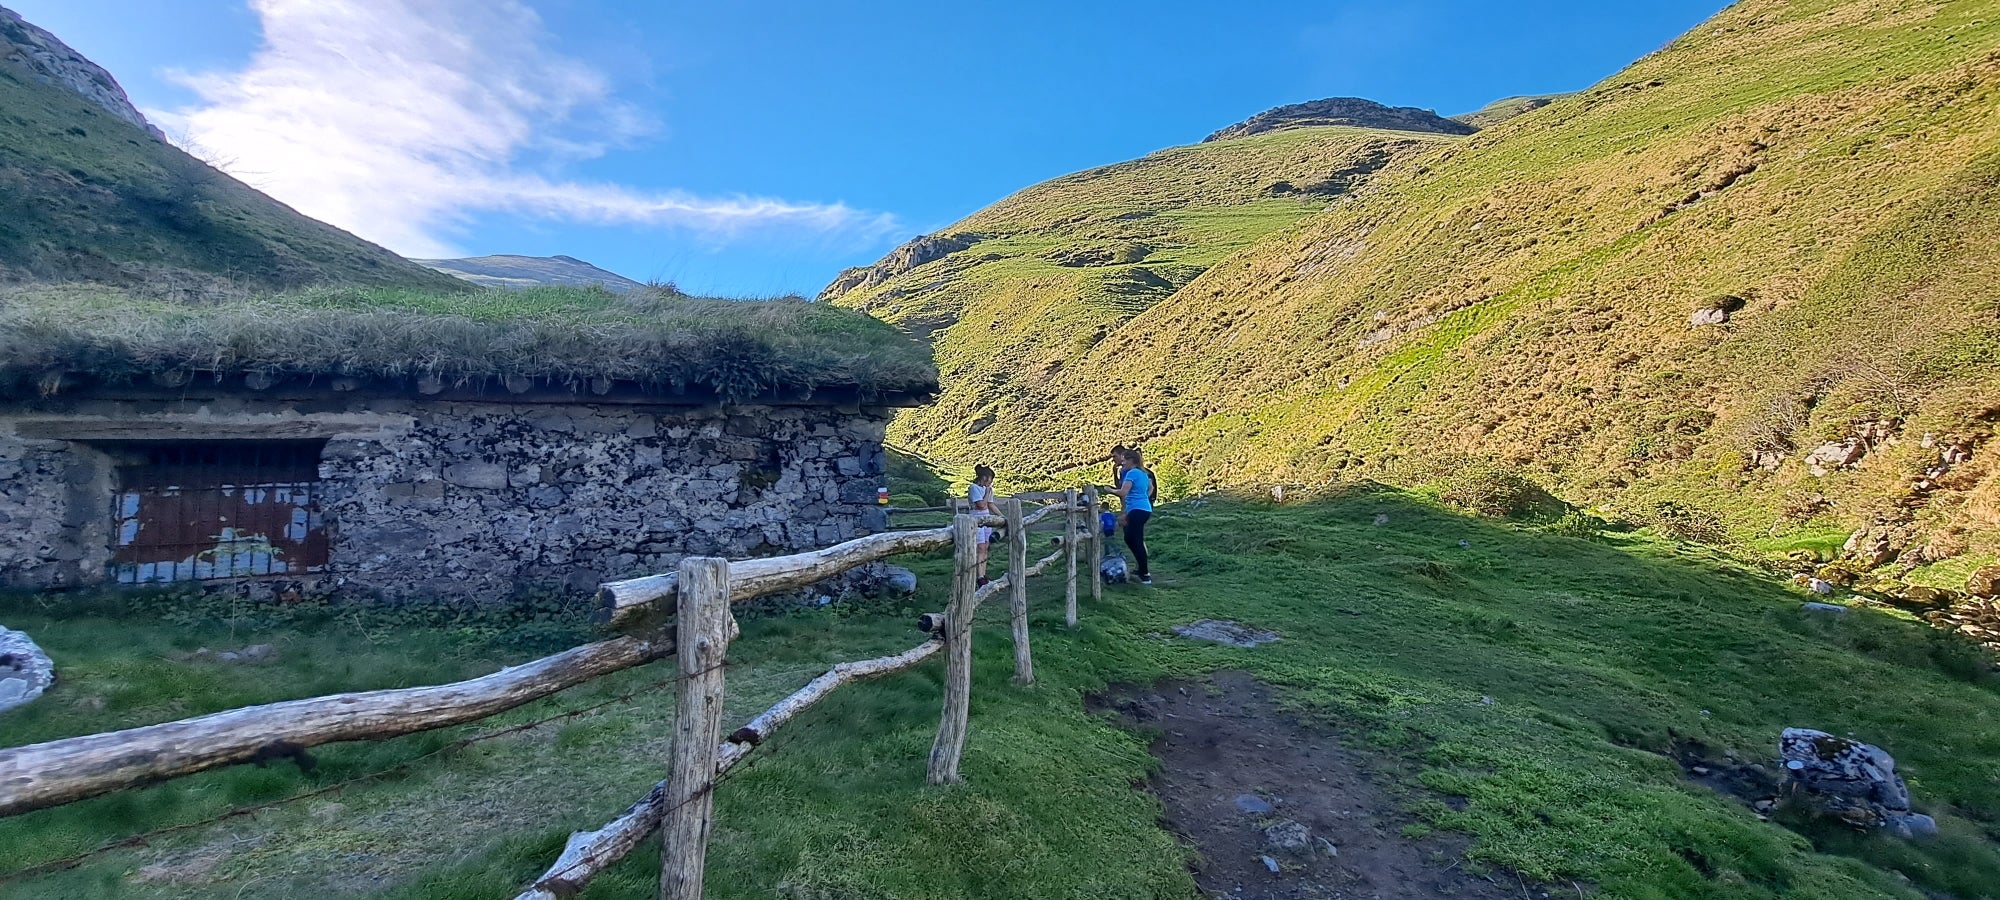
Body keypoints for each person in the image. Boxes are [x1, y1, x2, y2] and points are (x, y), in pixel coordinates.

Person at [1111, 447, 1158, 586]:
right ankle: (1142, 570)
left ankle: (1145, 575)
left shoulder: (1132, 473)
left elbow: (1123, 492)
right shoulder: (1143, 473)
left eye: (1124, 460)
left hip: (1137, 509)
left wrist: (1108, 490)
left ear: (1131, 460)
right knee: (1132, 538)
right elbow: (1150, 488)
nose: (1122, 462)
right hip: (1142, 508)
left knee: (1135, 540)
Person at [968, 464, 998, 586]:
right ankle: (979, 577)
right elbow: (981, 504)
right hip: (977, 520)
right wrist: (986, 492)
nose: (991, 482)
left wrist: (1002, 516)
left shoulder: (988, 490)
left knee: (985, 547)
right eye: (990, 478)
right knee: (980, 548)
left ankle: (983, 574)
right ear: (985, 477)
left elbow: (990, 504)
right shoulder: (974, 488)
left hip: (987, 520)